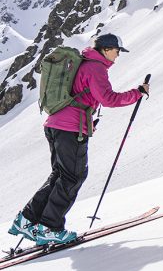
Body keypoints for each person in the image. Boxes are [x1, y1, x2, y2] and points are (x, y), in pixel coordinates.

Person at [7, 33, 148, 246]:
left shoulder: (84, 62)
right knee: (73, 176)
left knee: (60, 175)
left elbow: (81, 97)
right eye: (117, 51)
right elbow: (108, 99)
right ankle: (49, 228)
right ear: (106, 49)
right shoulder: (95, 67)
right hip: (69, 128)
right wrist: (136, 93)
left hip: (56, 124)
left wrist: (87, 122)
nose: (118, 55)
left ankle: (27, 220)